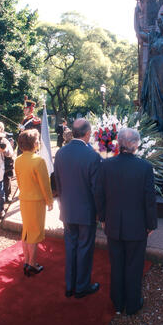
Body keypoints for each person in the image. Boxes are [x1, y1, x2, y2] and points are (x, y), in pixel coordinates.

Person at [95, 128, 157, 315]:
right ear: (136, 145)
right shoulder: (145, 167)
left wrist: (103, 218)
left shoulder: (106, 165)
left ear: (119, 143)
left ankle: (118, 302)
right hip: (137, 226)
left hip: (113, 224)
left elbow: (99, 195)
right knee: (134, 265)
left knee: (117, 264)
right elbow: (149, 199)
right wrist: (151, 224)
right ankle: (132, 304)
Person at [54, 118, 101, 298]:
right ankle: (81, 287)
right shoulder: (93, 156)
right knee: (84, 249)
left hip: (67, 209)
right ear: (87, 134)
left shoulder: (60, 153)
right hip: (87, 211)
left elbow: (57, 182)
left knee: (71, 247)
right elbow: (96, 189)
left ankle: (69, 285)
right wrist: (100, 213)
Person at [15, 129, 53, 276]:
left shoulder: (18, 160)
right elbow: (45, 184)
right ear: (34, 143)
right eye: (37, 140)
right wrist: (49, 200)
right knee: (34, 234)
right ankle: (32, 264)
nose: (38, 142)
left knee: (26, 231)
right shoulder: (38, 160)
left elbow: (18, 181)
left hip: (24, 199)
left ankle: (26, 261)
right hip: (36, 201)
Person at [0, 122, 14, 219]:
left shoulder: (4, 140)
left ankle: (0, 210)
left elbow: (10, 153)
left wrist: (4, 150)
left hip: (0, 170)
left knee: (0, 192)